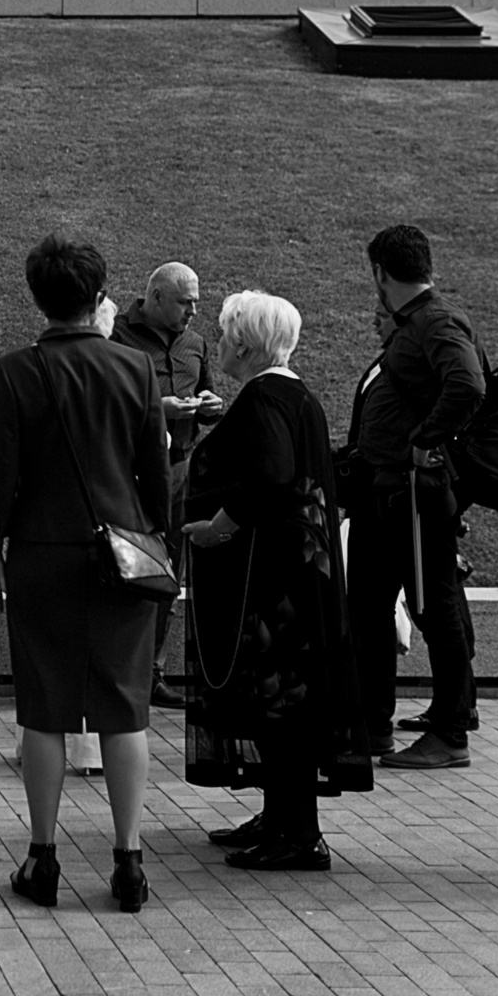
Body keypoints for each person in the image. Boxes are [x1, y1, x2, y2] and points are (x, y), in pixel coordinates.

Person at [0, 231, 171, 913]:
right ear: (99, 294)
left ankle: (43, 855)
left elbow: (1, 469)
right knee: (125, 708)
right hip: (125, 555)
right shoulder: (136, 367)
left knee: (45, 708)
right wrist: (154, 535)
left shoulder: (16, 371)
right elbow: (154, 471)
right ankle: (129, 860)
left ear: (39, 297)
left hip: (42, 554)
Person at [180, 291, 372, 872]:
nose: (221, 342)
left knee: (280, 700)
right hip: (304, 575)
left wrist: (218, 526)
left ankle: (299, 833)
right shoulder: (296, 394)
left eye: (226, 333)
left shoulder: (263, 397)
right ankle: (281, 816)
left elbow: (272, 475)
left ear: (244, 344)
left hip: (277, 583)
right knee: (284, 700)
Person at [344, 224, 486, 770]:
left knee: (434, 609)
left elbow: (468, 385)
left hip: (414, 496)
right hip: (386, 494)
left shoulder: (435, 320)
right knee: (369, 608)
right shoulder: (419, 322)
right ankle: (371, 725)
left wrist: (425, 440)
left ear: (380, 272)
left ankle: (450, 732)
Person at [110, 263, 227, 710]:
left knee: (168, 575)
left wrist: (211, 407)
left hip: (179, 471)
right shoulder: (117, 335)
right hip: (131, 473)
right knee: (127, 567)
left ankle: (151, 674)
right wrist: (159, 408)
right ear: (156, 297)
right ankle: (117, 668)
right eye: (185, 302)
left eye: (196, 302)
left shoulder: (194, 343)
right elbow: (106, 403)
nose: (194, 311)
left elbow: (208, 397)